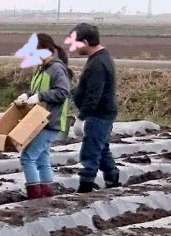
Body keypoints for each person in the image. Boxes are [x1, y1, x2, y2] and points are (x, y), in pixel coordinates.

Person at [13, 33, 73, 199]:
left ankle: (35, 198)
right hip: (39, 121)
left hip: (50, 121)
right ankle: (46, 196)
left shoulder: (56, 69)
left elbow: (63, 92)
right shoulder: (41, 70)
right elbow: (36, 91)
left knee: (27, 158)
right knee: (41, 159)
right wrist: (26, 95)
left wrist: (41, 97)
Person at [69, 23, 120, 193]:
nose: (74, 48)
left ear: (85, 41)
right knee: (102, 149)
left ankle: (85, 188)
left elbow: (94, 94)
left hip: (98, 115)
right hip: (102, 113)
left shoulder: (98, 63)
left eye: (76, 43)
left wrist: (81, 117)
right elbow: (88, 88)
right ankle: (113, 181)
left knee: (90, 152)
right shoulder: (100, 58)